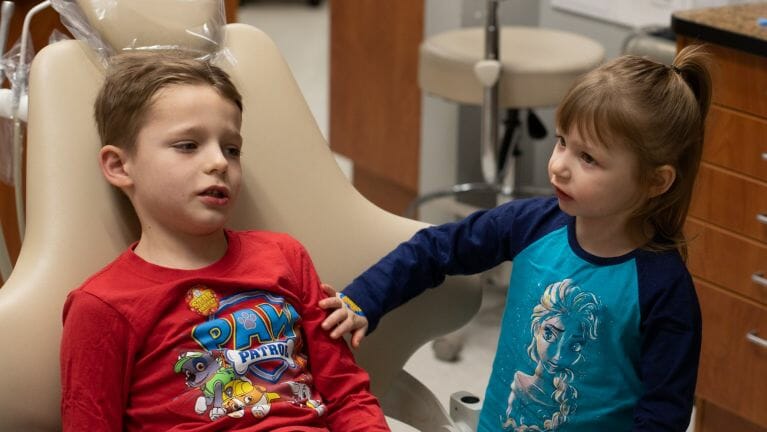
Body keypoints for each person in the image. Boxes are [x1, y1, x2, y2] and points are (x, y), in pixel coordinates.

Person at [320, 44, 712, 431]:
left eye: (587, 158)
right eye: (561, 142)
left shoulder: (663, 290)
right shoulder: (532, 224)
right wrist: (364, 299)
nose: (558, 166)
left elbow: (664, 415)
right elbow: (435, 249)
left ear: (655, 180)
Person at [59, 50, 390, 432]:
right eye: (187, 145)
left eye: (232, 149)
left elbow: (347, 394)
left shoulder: (284, 257)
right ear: (120, 166)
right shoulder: (103, 307)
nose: (220, 162)